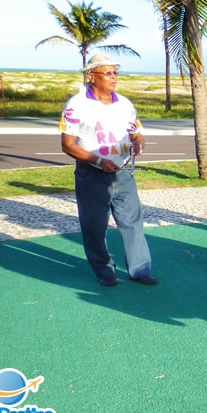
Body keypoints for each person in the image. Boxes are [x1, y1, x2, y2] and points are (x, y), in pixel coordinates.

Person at [59, 53, 157, 287]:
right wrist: (98, 161)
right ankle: (104, 270)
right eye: (108, 73)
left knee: (132, 222)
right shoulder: (77, 105)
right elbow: (67, 145)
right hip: (92, 174)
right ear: (92, 76)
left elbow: (137, 133)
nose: (113, 77)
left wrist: (138, 143)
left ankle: (139, 269)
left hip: (123, 172)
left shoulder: (125, 104)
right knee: (95, 226)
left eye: (115, 73)